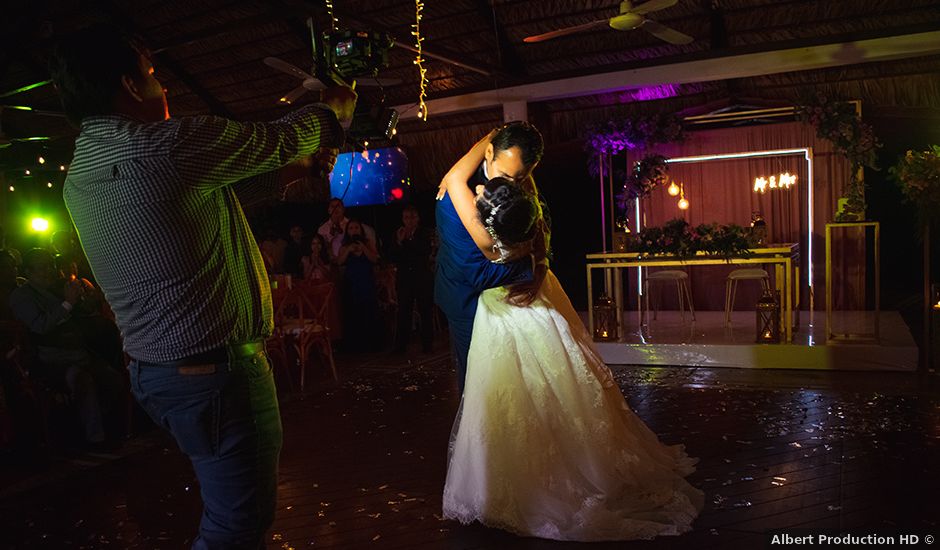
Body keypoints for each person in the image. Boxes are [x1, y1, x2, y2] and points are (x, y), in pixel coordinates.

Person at [48, 23, 356, 549]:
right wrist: (332, 113)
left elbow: (201, 194)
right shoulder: (168, 145)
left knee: (227, 511)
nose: (161, 85)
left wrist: (290, 173)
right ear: (128, 84)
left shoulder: (82, 170)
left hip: (156, 373)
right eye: (151, 74)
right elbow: (278, 139)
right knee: (236, 526)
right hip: (214, 373)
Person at [437, 139, 705, 541]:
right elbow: (529, 238)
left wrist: (535, 264)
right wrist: (536, 265)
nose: (502, 182)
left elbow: (457, 181)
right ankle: (512, 470)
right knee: (520, 391)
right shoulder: (516, 225)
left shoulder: (484, 229)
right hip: (510, 298)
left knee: (497, 394)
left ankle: (504, 478)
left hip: (497, 306)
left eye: (518, 176)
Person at [434, 123, 544, 393]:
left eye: (519, 179)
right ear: (489, 152)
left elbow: (541, 223)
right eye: (505, 174)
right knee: (479, 380)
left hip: (509, 294)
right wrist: (530, 266)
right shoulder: (455, 195)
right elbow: (475, 267)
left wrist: (542, 263)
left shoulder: (519, 181)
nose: (511, 185)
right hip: (466, 294)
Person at [8, 249, 125, 446]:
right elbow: (40, 326)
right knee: (82, 380)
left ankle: (105, 421)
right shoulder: (22, 296)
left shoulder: (57, 287)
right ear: (28, 272)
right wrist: (68, 303)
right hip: (51, 357)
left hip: (78, 352)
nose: (48, 271)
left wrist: (87, 301)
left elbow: (81, 315)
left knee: (115, 380)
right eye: (41, 268)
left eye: (50, 266)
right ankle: (95, 438)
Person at [387, 205, 435, 354]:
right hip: (405, 278)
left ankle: (427, 344)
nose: (409, 221)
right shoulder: (398, 234)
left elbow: (424, 250)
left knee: (425, 310)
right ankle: (400, 345)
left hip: (421, 277)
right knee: (404, 312)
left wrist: (408, 240)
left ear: (417, 218)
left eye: (412, 217)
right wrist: (400, 242)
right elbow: (393, 256)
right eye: (406, 218)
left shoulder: (424, 233)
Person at [336, 219, 380, 351]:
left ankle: (371, 342)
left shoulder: (368, 243)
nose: (354, 230)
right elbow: (339, 262)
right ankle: (355, 344)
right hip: (352, 282)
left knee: (368, 310)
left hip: (366, 280)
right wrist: (349, 250)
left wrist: (364, 248)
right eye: (351, 228)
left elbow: (375, 259)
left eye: (356, 228)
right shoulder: (344, 246)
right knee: (353, 311)